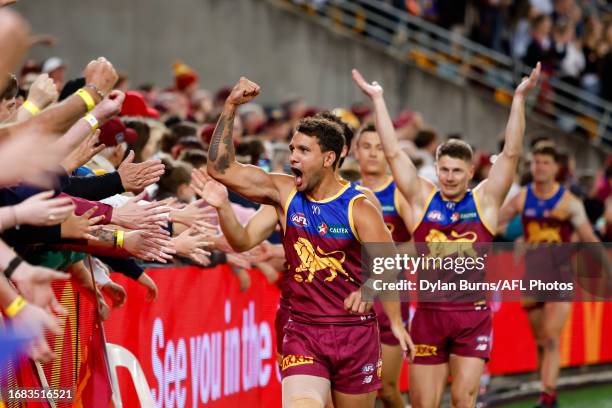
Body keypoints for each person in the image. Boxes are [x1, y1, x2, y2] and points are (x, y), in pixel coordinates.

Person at [208, 77, 413, 408]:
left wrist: (371, 293)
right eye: (291, 149)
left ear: (329, 158)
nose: (293, 157)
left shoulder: (359, 206)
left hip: (354, 334)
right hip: (303, 330)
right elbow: (222, 170)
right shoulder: (283, 192)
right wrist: (230, 107)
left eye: (303, 150)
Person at [352, 63, 541, 408]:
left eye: (457, 171)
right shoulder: (423, 198)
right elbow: (393, 153)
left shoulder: (484, 201)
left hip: (472, 316)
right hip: (428, 316)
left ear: (471, 172)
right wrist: (378, 100)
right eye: (444, 170)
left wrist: (518, 99)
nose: (450, 177)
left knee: (463, 399)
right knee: (425, 403)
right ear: (435, 169)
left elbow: (512, 154)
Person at [498, 144, 602, 408]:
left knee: (552, 337)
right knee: (541, 340)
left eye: (545, 162)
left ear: (556, 168)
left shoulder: (569, 202)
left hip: (559, 276)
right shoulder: (522, 197)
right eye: (536, 162)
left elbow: (589, 237)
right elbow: (495, 220)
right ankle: (548, 392)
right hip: (532, 276)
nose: (539, 167)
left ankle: (547, 395)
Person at [353, 122, 412, 408]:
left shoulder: (398, 193)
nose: (373, 154)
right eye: (366, 147)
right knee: (353, 389)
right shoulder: (345, 191)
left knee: (387, 389)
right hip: (353, 294)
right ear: (355, 152)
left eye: (379, 147)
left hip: (389, 294)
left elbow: (420, 241)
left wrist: (387, 260)